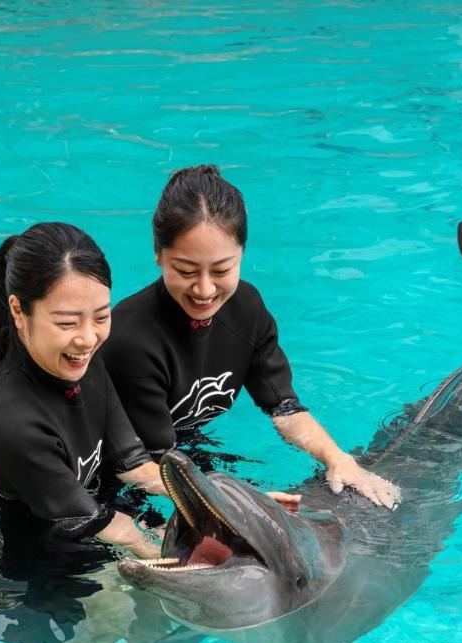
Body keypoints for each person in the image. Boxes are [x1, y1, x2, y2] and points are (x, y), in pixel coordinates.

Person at [100, 165, 399, 508]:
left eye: (222, 269)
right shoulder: (131, 339)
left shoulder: (246, 308)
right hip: (122, 477)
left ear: (242, 253)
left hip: (183, 457)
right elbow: (148, 464)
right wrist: (240, 503)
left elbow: (284, 409)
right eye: (185, 271)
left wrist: (338, 459)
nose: (204, 289)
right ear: (158, 253)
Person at [0, 221, 165, 578]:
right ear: (18, 310)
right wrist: (198, 554)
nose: (88, 339)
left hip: (94, 524)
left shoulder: (78, 362)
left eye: (101, 317)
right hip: (33, 571)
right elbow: (94, 520)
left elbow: (134, 463)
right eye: (66, 323)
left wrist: (217, 505)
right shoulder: (11, 420)